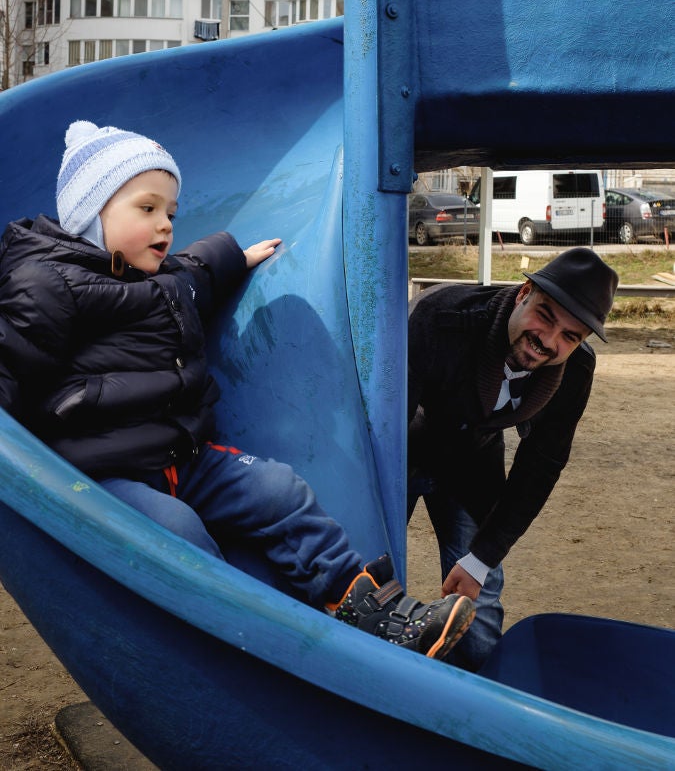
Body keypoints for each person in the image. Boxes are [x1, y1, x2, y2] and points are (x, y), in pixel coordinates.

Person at [0, 119, 475, 662]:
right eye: (147, 208)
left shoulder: (162, 280)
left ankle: (367, 608)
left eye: (171, 214)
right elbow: (10, 370)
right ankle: (233, 642)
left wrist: (237, 257)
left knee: (279, 489)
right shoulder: (46, 285)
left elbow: (198, 271)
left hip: (183, 457)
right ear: (91, 212)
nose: (165, 226)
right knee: (176, 531)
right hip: (102, 475)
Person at [407, 246, 619, 671]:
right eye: (546, 315)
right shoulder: (440, 318)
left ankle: (481, 701)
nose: (549, 341)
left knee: (479, 601)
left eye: (570, 336)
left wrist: (483, 556)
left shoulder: (574, 370)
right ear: (524, 293)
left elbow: (542, 462)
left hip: (473, 459)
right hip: (402, 447)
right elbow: (382, 416)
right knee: (368, 568)